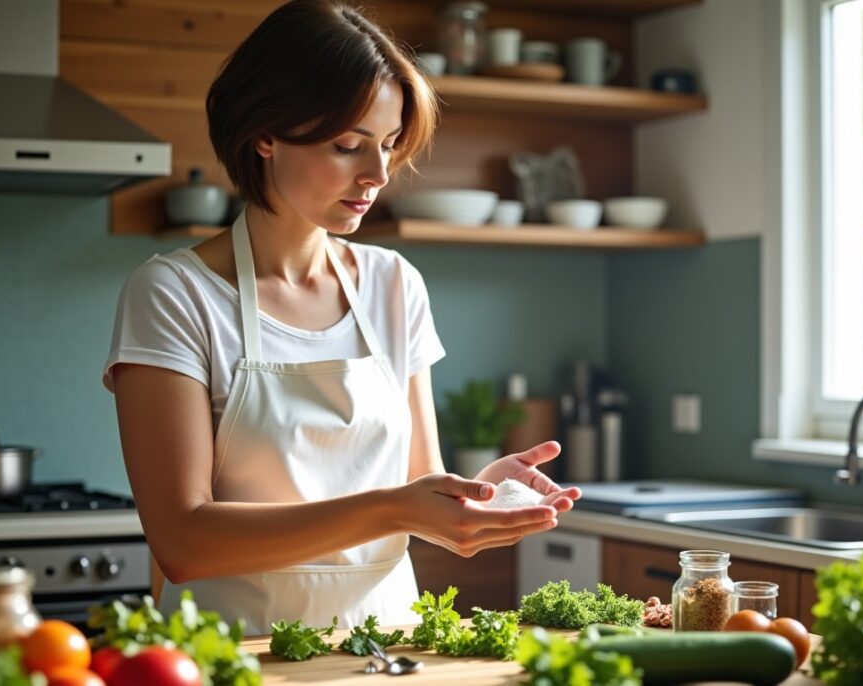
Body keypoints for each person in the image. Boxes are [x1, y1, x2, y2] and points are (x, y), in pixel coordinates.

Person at [103, 0, 580, 635]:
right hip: (233, 657)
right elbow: (184, 544)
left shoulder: (393, 285)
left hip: (385, 649)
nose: (378, 174)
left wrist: (481, 492)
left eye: (387, 145)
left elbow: (418, 483)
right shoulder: (173, 294)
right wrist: (394, 509)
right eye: (349, 145)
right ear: (264, 135)